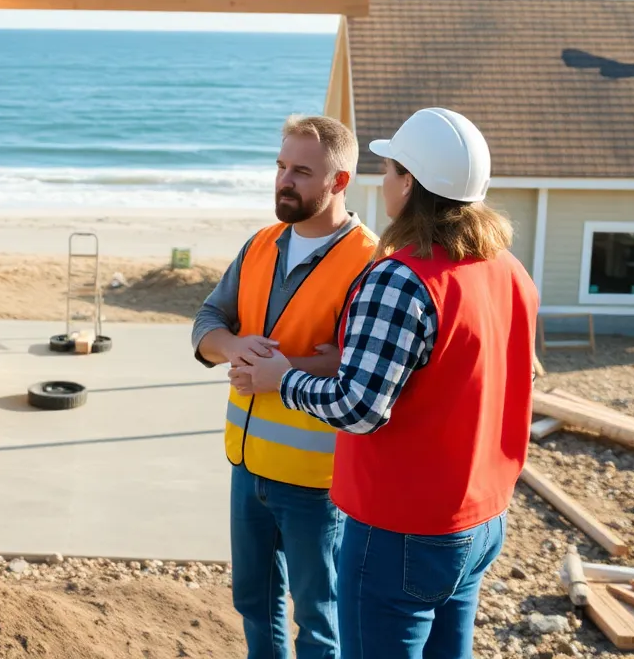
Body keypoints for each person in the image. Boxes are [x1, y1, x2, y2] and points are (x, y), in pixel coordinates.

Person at [228, 107, 539, 659]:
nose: (385, 181)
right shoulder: (508, 271)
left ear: (410, 183)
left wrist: (284, 377)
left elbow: (359, 407)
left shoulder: (402, 276)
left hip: (402, 528)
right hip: (482, 519)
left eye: (390, 169)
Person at [192, 114, 378, 659]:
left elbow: (367, 367)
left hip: (315, 480)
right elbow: (207, 322)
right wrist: (233, 346)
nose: (283, 181)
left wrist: (299, 365)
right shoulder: (261, 244)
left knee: (318, 617)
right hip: (246, 468)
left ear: (338, 182)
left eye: (300, 171)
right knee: (253, 601)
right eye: (279, 167)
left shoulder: (371, 262)